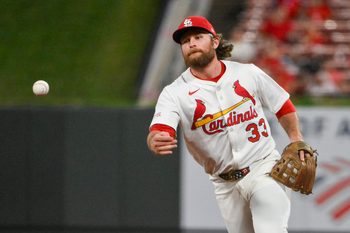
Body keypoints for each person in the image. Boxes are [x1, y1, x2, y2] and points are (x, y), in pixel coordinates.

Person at [146, 15, 309, 233]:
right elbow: (160, 129)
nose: (191, 43)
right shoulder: (175, 93)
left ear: (214, 42)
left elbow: (282, 105)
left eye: (198, 37)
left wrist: (296, 138)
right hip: (224, 183)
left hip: (263, 167)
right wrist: (154, 140)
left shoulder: (247, 72)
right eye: (185, 41)